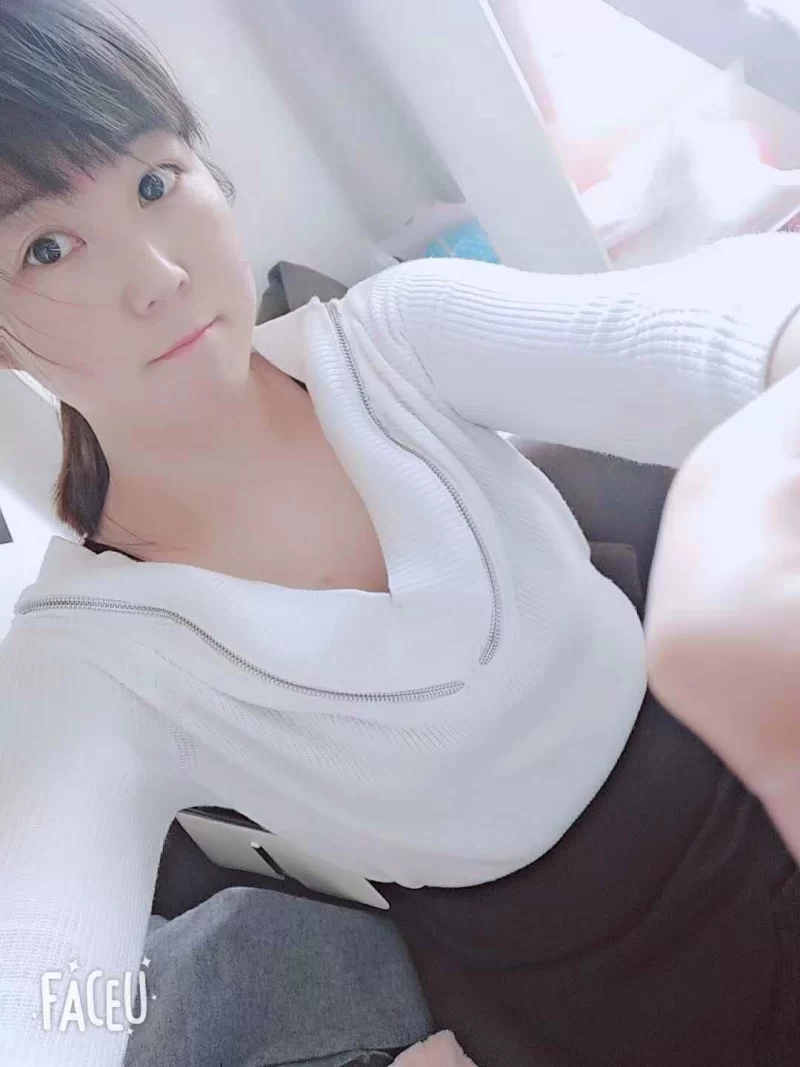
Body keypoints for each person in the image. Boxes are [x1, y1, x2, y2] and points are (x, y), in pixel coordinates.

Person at [1, 2, 799, 1065]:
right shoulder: (91, 655)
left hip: (750, 779)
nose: (157, 275)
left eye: (155, 182)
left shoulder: (396, 340)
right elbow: (40, 984)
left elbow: (713, 329)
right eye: (47, 247)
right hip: (593, 995)